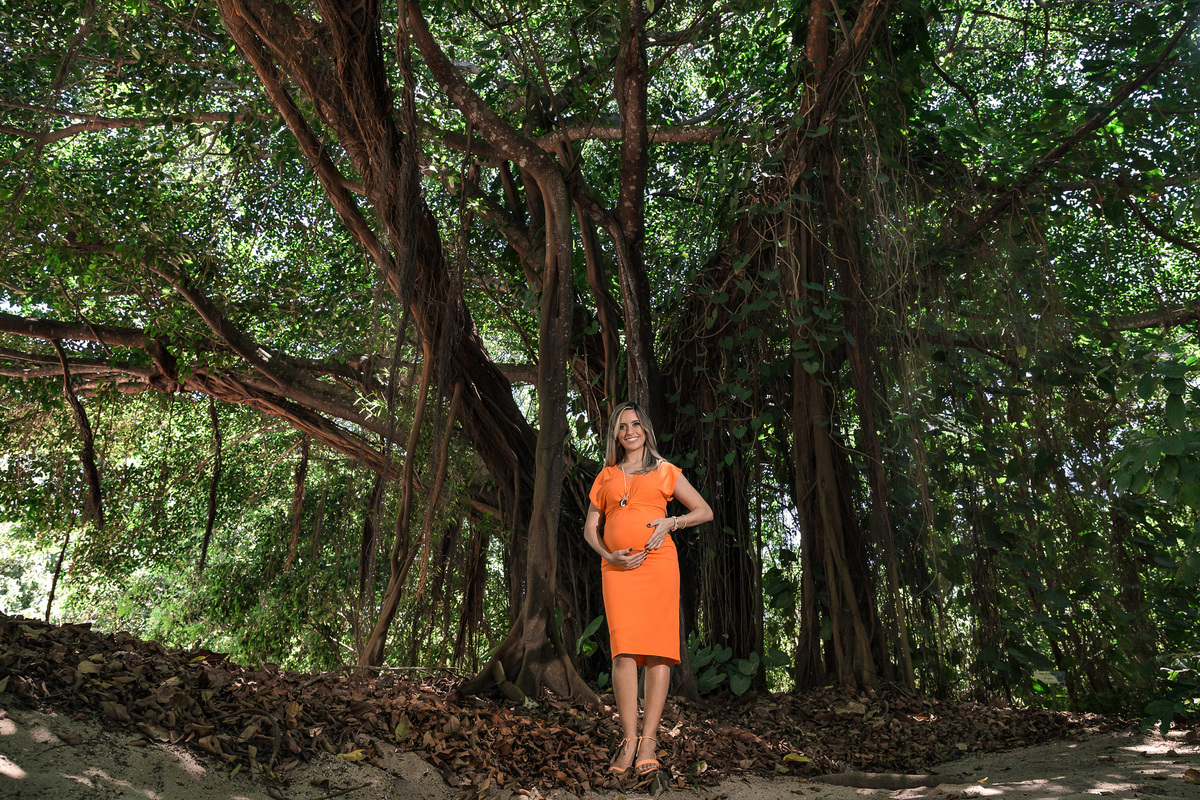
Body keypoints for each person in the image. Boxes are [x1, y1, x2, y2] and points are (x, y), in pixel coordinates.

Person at [583, 401, 713, 775]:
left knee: (658, 653)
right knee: (623, 653)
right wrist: (610, 556)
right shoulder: (606, 476)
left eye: (635, 424)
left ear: (646, 430)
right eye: (622, 426)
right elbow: (590, 529)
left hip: (658, 567)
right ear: (616, 435)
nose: (630, 431)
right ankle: (628, 740)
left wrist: (672, 523)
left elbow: (704, 510)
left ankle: (649, 741)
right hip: (617, 570)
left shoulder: (665, 471)